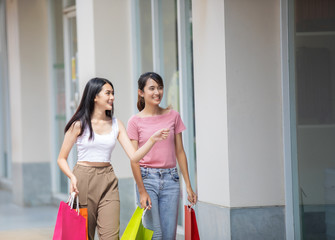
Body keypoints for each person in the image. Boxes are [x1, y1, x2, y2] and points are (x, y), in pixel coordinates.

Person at [57, 77, 169, 240]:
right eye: (108, 93)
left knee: (111, 237)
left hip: (108, 180)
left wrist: (152, 139)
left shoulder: (117, 124)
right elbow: (61, 158)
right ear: (95, 96)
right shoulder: (79, 124)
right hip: (83, 180)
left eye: (113, 93)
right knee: (83, 236)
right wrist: (72, 177)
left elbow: (134, 156)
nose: (112, 97)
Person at [127, 72, 197, 240]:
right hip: (147, 179)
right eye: (151, 88)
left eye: (159, 88)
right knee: (155, 235)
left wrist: (188, 185)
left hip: (171, 180)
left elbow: (180, 151)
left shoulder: (173, 116)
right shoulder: (134, 122)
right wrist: (142, 191)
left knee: (168, 236)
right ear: (141, 92)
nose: (157, 92)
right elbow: (134, 159)